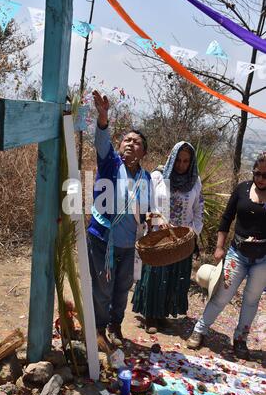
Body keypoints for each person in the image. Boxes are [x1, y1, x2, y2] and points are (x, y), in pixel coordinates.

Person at [87, 91, 152, 350]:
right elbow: (102, 141)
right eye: (126, 139)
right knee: (103, 287)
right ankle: (99, 329)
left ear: (143, 151)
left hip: (127, 242)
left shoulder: (146, 178)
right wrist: (103, 118)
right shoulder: (111, 164)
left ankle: (116, 326)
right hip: (104, 237)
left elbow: (144, 211)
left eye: (136, 141)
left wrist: (149, 231)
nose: (129, 143)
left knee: (122, 287)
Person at [187, 151, 266, 360]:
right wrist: (219, 247)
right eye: (257, 173)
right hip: (237, 254)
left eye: (265, 176)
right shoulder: (242, 189)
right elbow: (226, 218)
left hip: (262, 260)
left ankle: (240, 339)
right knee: (222, 294)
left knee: (251, 300)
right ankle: (200, 330)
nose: (260, 179)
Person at [132, 141, 204, 333]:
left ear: (191, 162)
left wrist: (192, 233)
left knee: (174, 276)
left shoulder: (195, 182)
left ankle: (162, 315)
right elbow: (149, 205)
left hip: (182, 241)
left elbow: (199, 210)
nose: (181, 165)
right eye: (178, 160)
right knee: (156, 275)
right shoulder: (157, 177)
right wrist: (158, 222)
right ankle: (150, 317)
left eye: (186, 161)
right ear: (172, 158)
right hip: (159, 237)